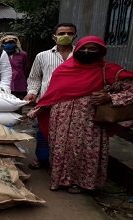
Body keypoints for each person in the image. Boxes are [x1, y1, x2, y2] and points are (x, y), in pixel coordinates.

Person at [27, 36, 133, 193]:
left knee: (86, 151)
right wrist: (38, 108)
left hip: (90, 121)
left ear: (100, 51)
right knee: (61, 149)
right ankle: (62, 180)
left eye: (92, 49)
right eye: (83, 49)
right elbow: (53, 94)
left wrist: (109, 97)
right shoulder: (63, 70)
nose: (86, 52)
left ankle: (83, 183)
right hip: (61, 120)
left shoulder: (108, 70)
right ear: (77, 50)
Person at [24, 23, 77, 170]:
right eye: (61, 33)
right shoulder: (43, 56)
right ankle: (41, 159)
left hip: (73, 103)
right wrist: (32, 93)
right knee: (42, 132)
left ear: (75, 36)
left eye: (69, 33)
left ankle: (63, 164)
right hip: (47, 102)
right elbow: (35, 78)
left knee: (69, 136)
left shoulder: (80, 55)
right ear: (54, 37)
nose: (65, 36)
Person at [0, 35, 29, 99]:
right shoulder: (0, 54)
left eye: (11, 43)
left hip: (19, 84)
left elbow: (26, 68)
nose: (8, 44)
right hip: (5, 84)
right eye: (6, 43)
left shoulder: (23, 54)